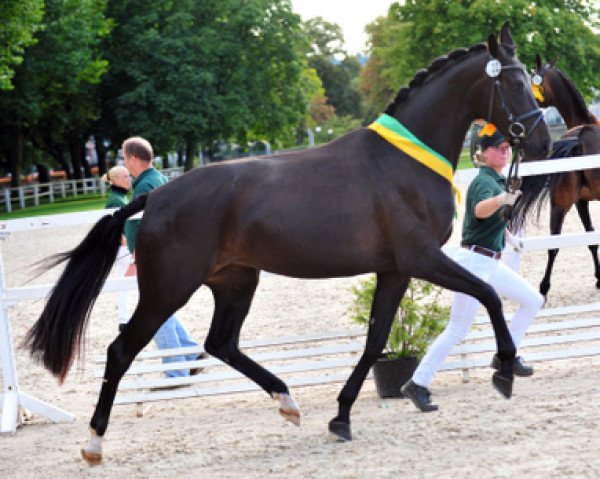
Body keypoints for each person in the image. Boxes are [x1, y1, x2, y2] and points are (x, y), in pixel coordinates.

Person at [401, 124, 544, 412]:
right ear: (485, 152)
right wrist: (503, 199)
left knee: (533, 300)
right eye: (500, 149)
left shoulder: (497, 180)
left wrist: (511, 238)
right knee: (457, 329)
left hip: (491, 262)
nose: (506, 152)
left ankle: (507, 355)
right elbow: (480, 210)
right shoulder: (484, 181)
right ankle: (418, 383)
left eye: (508, 148)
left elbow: (494, 221)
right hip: (474, 264)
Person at [122, 136, 205, 379]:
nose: (124, 163)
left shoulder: (146, 185)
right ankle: (190, 353)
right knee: (161, 308)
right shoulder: (154, 179)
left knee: (153, 312)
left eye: (125, 158)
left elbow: (148, 225)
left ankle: (175, 370)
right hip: (163, 254)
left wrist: (138, 256)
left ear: (134, 158)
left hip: (155, 257)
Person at [101, 165, 133, 332]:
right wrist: (125, 241)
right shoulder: (116, 200)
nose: (130, 179)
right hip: (123, 249)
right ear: (116, 180)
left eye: (129, 175)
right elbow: (112, 227)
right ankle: (124, 319)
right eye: (126, 176)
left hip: (125, 247)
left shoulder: (120, 198)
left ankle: (124, 319)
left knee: (126, 283)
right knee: (126, 283)